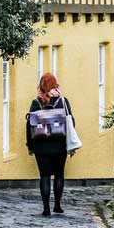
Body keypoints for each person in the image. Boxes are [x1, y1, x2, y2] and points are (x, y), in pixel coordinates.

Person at [26, 72, 73, 216]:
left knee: (44, 176)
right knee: (59, 174)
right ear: (55, 84)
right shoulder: (63, 101)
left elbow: (29, 126)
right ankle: (57, 205)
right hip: (60, 145)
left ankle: (46, 208)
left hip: (41, 146)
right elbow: (71, 123)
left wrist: (30, 145)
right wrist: (70, 143)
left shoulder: (36, 103)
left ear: (41, 86)